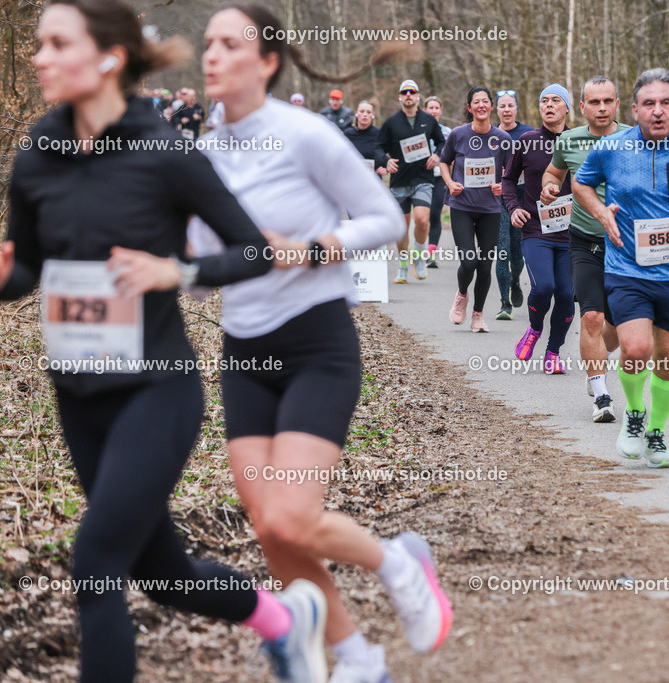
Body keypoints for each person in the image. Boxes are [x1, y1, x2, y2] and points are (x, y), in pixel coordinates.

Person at [0, 1, 330, 681]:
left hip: (157, 388)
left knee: (95, 559)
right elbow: (27, 269)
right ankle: (288, 619)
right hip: (79, 392)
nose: (38, 57)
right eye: (38, 43)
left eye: (58, 43)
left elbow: (254, 251)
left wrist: (178, 269)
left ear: (109, 58)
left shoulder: (166, 151)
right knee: (163, 573)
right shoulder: (39, 155)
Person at [191, 6, 452, 681]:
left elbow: (387, 220)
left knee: (293, 514)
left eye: (228, 43)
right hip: (244, 353)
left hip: (316, 344)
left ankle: (398, 562)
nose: (210, 55)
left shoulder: (305, 136)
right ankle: (357, 657)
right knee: (272, 528)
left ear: (267, 61)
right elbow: (196, 268)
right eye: (207, 44)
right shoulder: (204, 153)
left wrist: (312, 249)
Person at [573, 68, 669, 468]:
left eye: (666, 103)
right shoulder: (612, 147)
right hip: (627, 267)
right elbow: (581, 183)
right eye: (649, 104)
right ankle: (635, 413)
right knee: (637, 348)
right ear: (635, 110)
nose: (657, 111)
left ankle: (656, 434)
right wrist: (600, 212)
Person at [541, 75, 629, 423]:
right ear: (582, 107)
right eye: (594, 102)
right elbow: (553, 174)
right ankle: (601, 393)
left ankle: (596, 360)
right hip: (583, 240)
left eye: (608, 101)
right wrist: (549, 188)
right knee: (590, 316)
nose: (602, 108)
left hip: (624, 245)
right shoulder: (569, 140)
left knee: (618, 327)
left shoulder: (633, 140)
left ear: (617, 103)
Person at [502, 84, 573, 374]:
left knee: (567, 294)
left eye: (556, 100)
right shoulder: (527, 141)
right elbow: (508, 181)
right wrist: (513, 208)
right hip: (535, 230)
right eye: (544, 100)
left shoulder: (578, 142)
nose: (549, 105)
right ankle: (533, 330)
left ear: (568, 108)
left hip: (572, 233)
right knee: (544, 287)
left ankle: (553, 352)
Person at [438, 86, 511, 333]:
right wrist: (450, 183)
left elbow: (511, 173)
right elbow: (443, 162)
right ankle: (461, 295)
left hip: (490, 208)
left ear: (491, 106)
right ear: (469, 108)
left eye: (485, 101)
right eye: (476, 102)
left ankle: (478, 315)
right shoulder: (458, 134)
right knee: (469, 261)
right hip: (462, 206)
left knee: (485, 264)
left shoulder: (503, 139)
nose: (481, 105)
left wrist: (503, 185)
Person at [375, 79, 445, 283]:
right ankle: (403, 264)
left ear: (417, 96)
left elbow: (441, 141)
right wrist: (386, 161)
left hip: (423, 178)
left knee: (423, 219)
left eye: (412, 91)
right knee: (401, 228)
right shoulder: (391, 122)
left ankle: (419, 255)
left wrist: (437, 155)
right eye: (404, 92)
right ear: (399, 96)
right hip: (400, 181)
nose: (408, 95)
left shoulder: (428, 120)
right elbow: (378, 147)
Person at [493, 90, 534, 320]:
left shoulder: (528, 133)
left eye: (510, 106)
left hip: (521, 198)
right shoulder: (491, 134)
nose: (506, 110)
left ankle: (515, 280)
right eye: (502, 106)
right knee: (501, 250)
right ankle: (504, 303)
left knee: (517, 254)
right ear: (496, 110)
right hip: (496, 200)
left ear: (516, 109)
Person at [422, 95, 451, 268]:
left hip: (440, 176)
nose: (433, 111)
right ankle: (418, 250)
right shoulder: (420, 128)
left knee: (435, 214)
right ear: (425, 110)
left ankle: (431, 254)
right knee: (422, 217)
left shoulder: (447, 132)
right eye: (430, 108)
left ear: (440, 110)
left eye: (436, 108)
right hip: (421, 176)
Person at [343, 100, 387, 177]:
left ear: (373, 115)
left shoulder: (380, 134)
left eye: (368, 112)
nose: (365, 115)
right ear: (356, 113)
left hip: (373, 181)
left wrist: (386, 168)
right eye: (362, 111)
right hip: (352, 179)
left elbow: (389, 156)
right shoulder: (347, 134)